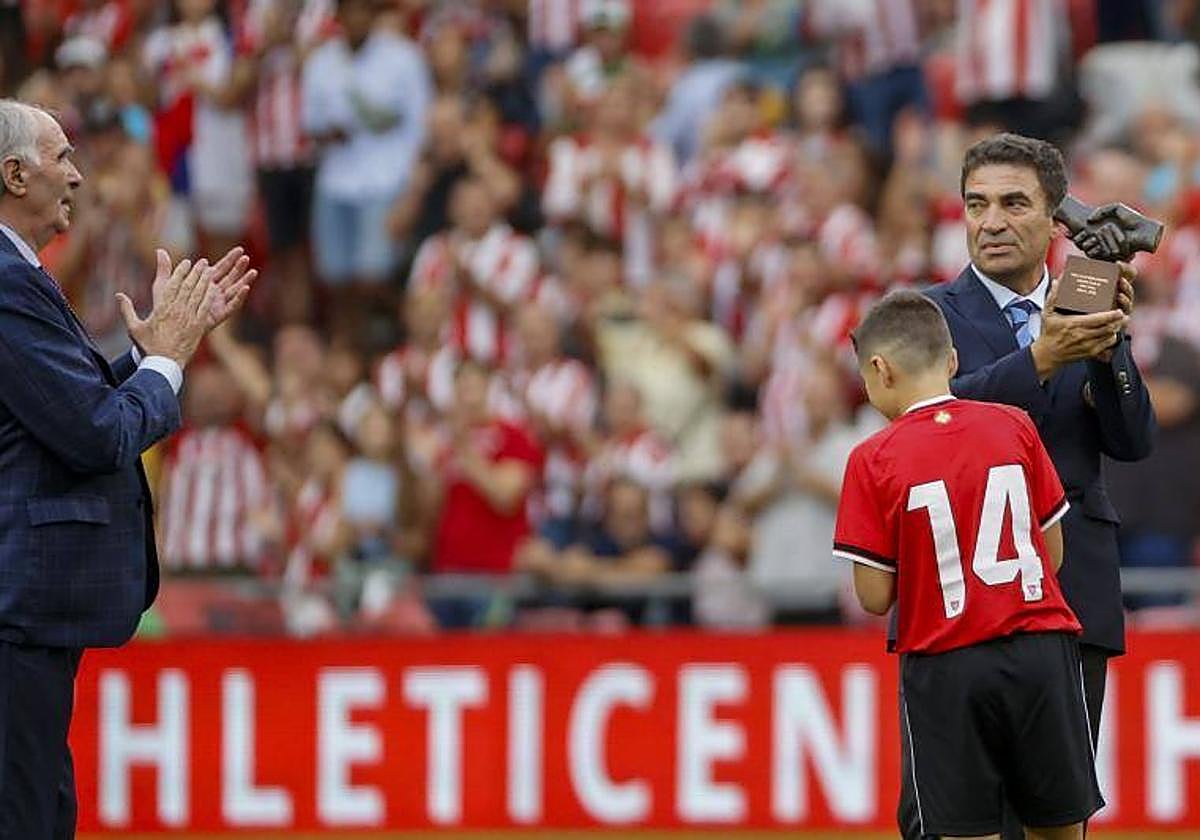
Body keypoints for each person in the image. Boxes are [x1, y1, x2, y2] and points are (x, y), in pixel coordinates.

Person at [0, 99, 254, 837]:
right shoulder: (8, 283)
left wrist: (155, 354)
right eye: (61, 159)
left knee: (43, 812)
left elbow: (57, 406)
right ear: (14, 175)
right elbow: (93, 435)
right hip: (17, 613)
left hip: (26, 618)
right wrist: (166, 361)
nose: (78, 177)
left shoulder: (20, 276)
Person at [912, 132, 1155, 840]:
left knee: (1056, 817)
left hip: (1070, 590)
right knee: (950, 821)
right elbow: (934, 420)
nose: (990, 222)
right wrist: (1043, 356)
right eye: (976, 204)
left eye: (1014, 203)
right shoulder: (924, 316)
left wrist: (1110, 351)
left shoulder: (1087, 299)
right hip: (957, 601)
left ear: (1055, 218)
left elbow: (1132, 439)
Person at [835, 290, 1103, 840]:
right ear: (953, 361)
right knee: (1059, 828)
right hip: (1041, 650)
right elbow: (1052, 553)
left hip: (946, 658)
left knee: (965, 830)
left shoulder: (872, 457)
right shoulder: (1013, 424)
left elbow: (873, 595)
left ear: (880, 370)